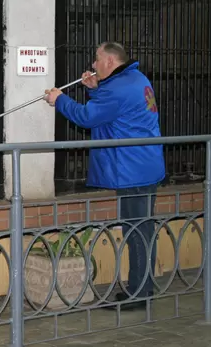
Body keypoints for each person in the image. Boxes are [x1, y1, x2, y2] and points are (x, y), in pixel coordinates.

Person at [44, 41, 165, 310]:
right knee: (140, 231)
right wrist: (96, 90)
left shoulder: (119, 88)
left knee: (138, 233)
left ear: (110, 62)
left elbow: (88, 118)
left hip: (133, 170)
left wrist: (59, 99)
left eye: (97, 60)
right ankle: (141, 289)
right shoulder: (135, 78)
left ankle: (139, 296)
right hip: (143, 166)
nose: (93, 65)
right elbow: (114, 113)